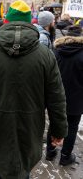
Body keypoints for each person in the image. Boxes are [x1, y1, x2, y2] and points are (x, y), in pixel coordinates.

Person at [0, 0, 68, 179]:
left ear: (6, 21)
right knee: (24, 171)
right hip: (30, 128)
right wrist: (59, 130)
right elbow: (56, 97)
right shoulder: (46, 55)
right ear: (31, 23)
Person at [46, 25, 83, 166]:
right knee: (72, 127)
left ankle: (50, 152)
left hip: (55, 97)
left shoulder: (56, 52)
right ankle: (65, 156)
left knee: (54, 124)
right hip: (77, 99)